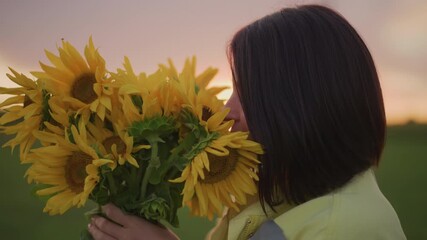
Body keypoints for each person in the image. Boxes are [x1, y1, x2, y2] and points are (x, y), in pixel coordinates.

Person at [88, 4, 407, 240]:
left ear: (299, 104)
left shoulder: (340, 228)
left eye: (246, 92)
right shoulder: (287, 193)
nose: (227, 111)